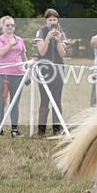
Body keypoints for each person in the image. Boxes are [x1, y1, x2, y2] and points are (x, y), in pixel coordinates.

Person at [34, 8, 68, 138]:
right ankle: (41, 130)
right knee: (44, 99)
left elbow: (63, 53)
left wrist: (59, 41)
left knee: (57, 99)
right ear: (46, 21)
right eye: (50, 19)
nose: (52, 22)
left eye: (54, 19)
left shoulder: (61, 34)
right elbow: (41, 52)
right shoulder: (41, 32)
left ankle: (56, 129)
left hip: (58, 69)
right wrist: (48, 38)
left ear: (58, 21)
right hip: (44, 70)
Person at [0, 16, 28, 137]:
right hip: (2, 75)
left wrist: (27, 71)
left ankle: (14, 130)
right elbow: (0, 53)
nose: (10, 27)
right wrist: (10, 44)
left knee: (15, 103)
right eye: (7, 25)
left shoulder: (20, 40)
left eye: (12, 25)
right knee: (1, 102)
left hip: (18, 75)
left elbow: (23, 56)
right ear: (2, 26)